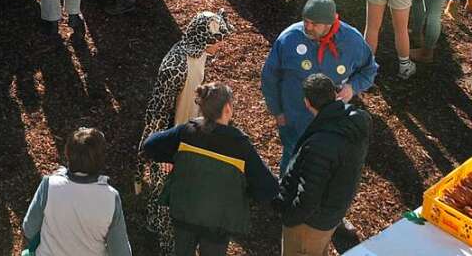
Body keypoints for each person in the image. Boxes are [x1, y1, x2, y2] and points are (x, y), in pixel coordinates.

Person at [142, 82, 277, 256]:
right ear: (228, 108)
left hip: (184, 213)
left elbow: (150, 145)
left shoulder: (187, 132)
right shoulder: (239, 144)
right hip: (218, 223)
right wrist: (245, 193)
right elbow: (268, 187)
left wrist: (175, 158)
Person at [261, 0, 378, 171]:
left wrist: (352, 87)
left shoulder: (352, 41)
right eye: (305, 21)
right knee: (291, 159)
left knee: (321, 166)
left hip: (331, 123)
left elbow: (369, 69)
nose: (307, 27)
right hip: (294, 118)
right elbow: (269, 77)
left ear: (329, 23)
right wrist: (278, 112)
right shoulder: (289, 38)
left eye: (314, 23)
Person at [278, 74, 370, 256]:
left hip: (311, 223)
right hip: (334, 211)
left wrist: (289, 217)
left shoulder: (320, 145)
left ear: (307, 102)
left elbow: (308, 197)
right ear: (335, 94)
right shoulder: (359, 120)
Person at [21, 127, 132, 256]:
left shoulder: (49, 185)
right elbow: (120, 251)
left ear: (67, 154)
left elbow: (29, 229)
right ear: (101, 160)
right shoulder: (111, 198)